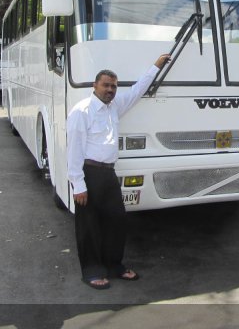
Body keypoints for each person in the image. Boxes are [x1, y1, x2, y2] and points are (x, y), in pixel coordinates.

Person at [67, 54, 170, 289]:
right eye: (106, 85)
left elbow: (136, 91)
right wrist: (78, 184)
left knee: (117, 221)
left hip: (108, 175)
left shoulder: (114, 107)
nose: (110, 89)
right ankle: (92, 271)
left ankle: (114, 266)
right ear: (95, 86)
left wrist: (155, 67)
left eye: (113, 86)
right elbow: (73, 149)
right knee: (89, 226)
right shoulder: (81, 111)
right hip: (88, 174)